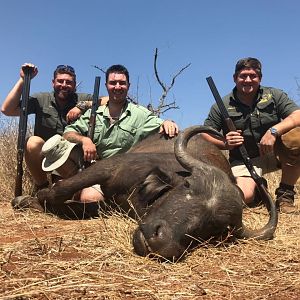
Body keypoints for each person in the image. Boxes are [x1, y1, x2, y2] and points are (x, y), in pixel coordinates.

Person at [40, 64, 179, 203]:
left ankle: (86, 194)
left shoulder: (140, 114)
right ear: (106, 86)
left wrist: (168, 122)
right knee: (59, 146)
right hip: (94, 170)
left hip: (123, 175)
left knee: (89, 198)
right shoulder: (93, 113)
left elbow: (161, 124)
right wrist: (84, 140)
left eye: (122, 83)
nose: (117, 87)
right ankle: (62, 187)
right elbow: (68, 133)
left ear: (128, 86)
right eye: (113, 83)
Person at [203, 57, 300, 214]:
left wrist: (274, 131)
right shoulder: (221, 105)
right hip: (245, 160)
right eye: (243, 76)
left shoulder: (274, 95)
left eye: (253, 76)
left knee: (296, 136)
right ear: (235, 78)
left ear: (259, 78)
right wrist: (225, 143)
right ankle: (258, 192)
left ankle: (285, 196)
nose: (248, 80)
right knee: (242, 196)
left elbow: (297, 115)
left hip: (274, 153)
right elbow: (205, 134)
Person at [1, 63, 108, 194]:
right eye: (60, 81)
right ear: (53, 83)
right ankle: (42, 187)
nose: (64, 85)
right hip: (46, 156)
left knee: (65, 191)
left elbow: (108, 100)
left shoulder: (81, 98)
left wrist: (82, 106)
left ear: (74, 85)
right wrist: (23, 79)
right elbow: (7, 109)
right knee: (32, 143)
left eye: (69, 82)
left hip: (70, 159)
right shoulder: (41, 99)